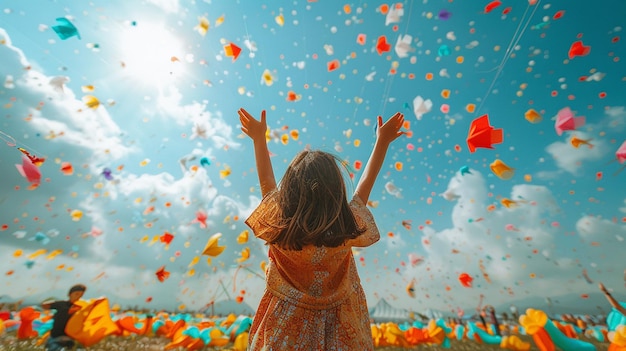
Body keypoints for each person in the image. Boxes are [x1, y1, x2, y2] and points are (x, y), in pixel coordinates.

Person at [238, 107, 404, 350]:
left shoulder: (278, 228)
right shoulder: (347, 232)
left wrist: (258, 139)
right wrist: (382, 141)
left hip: (285, 331)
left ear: (288, 194)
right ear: (336, 193)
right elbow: (363, 187)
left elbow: (267, 186)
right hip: (341, 330)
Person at [41, 284, 86, 351]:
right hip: (55, 337)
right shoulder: (62, 304)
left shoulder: (82, 308)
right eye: (76, 294)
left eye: (81, 295)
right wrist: (55, 302)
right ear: (69, 294)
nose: (78, 297)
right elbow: (44, 305)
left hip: (71, 339)